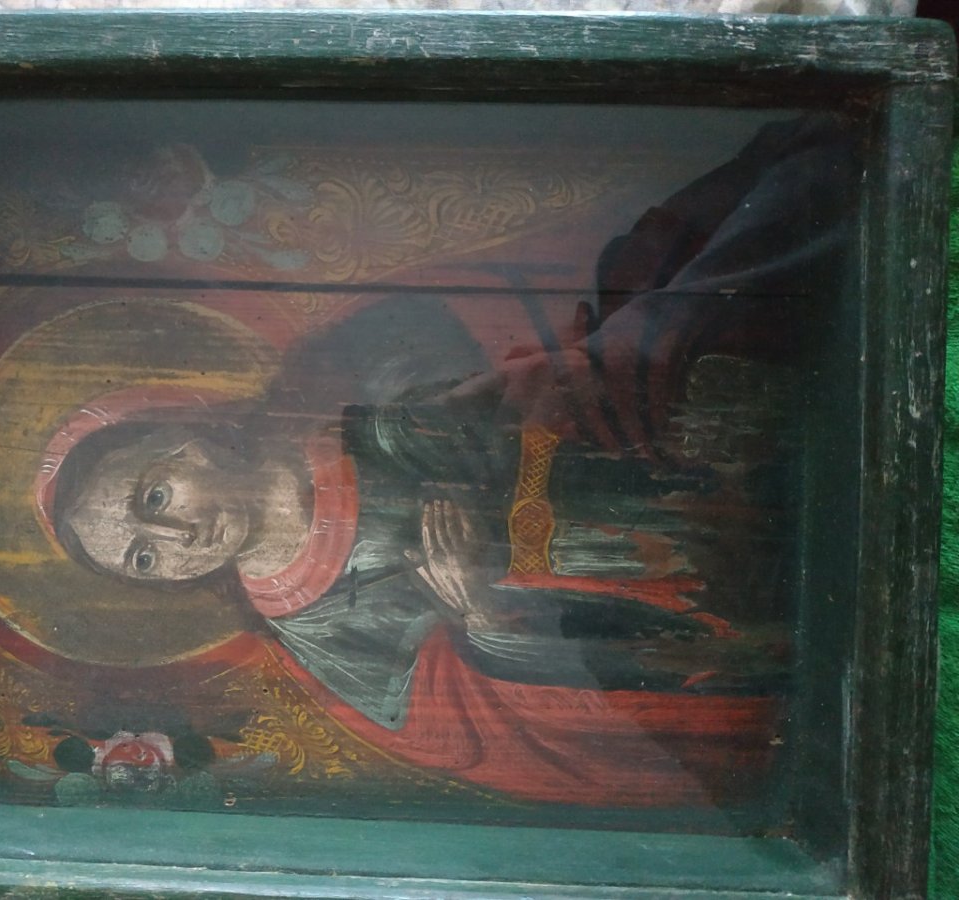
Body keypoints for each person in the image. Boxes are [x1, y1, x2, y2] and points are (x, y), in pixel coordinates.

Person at [45, 113, 856, 809]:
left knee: (763, 222)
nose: (177, 538)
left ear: (188, 440)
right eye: (144, 557)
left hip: (663, 417)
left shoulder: (339, 373)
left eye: (155, 496)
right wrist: (483, 615)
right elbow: (484, 733)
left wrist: (543, 395)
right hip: (679, 593)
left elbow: (513, 330)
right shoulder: (319, 637)